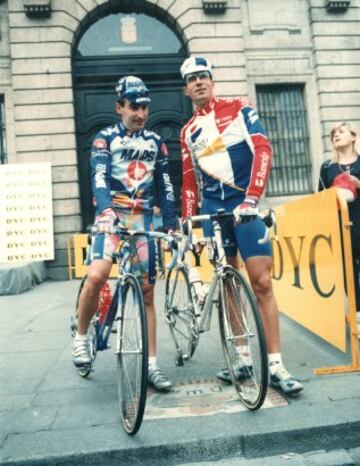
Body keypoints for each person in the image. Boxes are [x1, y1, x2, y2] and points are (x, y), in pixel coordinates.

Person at [179, 56, 303, 396]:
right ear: (186, 88)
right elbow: (190, 182)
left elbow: (263, 149)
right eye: (192, 79)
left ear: (212, 81)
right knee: (228, 283)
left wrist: (252, 198)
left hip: (245, 205)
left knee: (262, 282)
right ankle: (243, 356)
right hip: (213, 213)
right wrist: (188, 220)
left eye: (204, 76)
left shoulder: (239, 108)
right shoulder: (187, 131)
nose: (199, 82)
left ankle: (276, 363)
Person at [72, 76, 178, 391]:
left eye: (144, 107)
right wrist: (104, 210)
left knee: (147, 291)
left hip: (144, 221)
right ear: (120, 107)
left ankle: (151, 365)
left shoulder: (156, 142)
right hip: (112, 217)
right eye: (133, 107)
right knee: (97, 275)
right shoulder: (104, 139)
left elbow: (166, 185)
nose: (140, 113)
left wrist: (170, 222)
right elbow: (99, 177)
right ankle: (80, 336)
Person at [318, 122, 360, 333]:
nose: (336, 135)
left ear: (353, 136)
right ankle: (357, 314)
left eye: (341, 132)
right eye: (333, 134)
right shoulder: (327, 167)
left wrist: (358, 184)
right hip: (340, 227)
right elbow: (319, 199)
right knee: (348, 273)